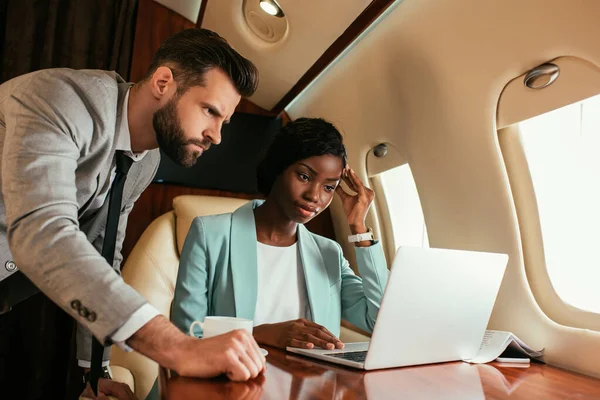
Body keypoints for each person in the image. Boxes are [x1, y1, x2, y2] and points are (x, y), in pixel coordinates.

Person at [0, 28, 266, 400]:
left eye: (224, 122)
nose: (217, 136)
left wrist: (95, 370)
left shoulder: (147, 159)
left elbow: (103, 251)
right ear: (163, 82)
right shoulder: (58, 98)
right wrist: (178, 348)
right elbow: (42, 232)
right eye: (210, 111)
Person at [172, 117, 389, 352]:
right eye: (304, 177)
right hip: (231, 382)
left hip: (311, 385)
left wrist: (359, 229)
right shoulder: (210, 235)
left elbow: (380, 321)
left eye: (329, 187)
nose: (314, 196)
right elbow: (185, 336)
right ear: (278, 167)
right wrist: (260, 334)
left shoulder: (328, 253)